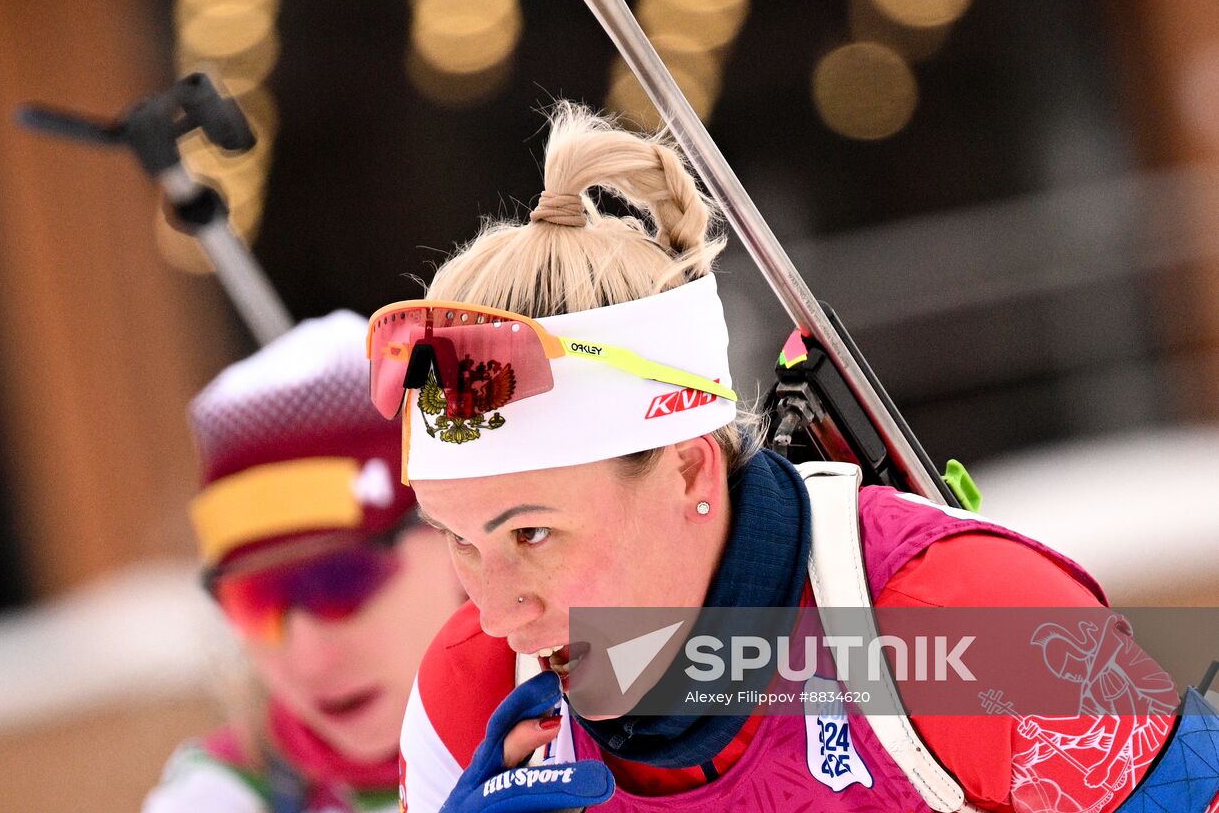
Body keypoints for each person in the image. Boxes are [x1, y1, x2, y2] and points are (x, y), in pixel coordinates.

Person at [369, 104, 1219, 813]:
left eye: (532, 535)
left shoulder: (959, 622)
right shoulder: (477, 692)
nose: (495, 611)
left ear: (690, 470)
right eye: (458, 539)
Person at [145, 310, 465, 813]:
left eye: (342, 582)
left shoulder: (608, 675)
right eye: (253, 602)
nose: (309, 659)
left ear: (457, 533)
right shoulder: (224, 797)